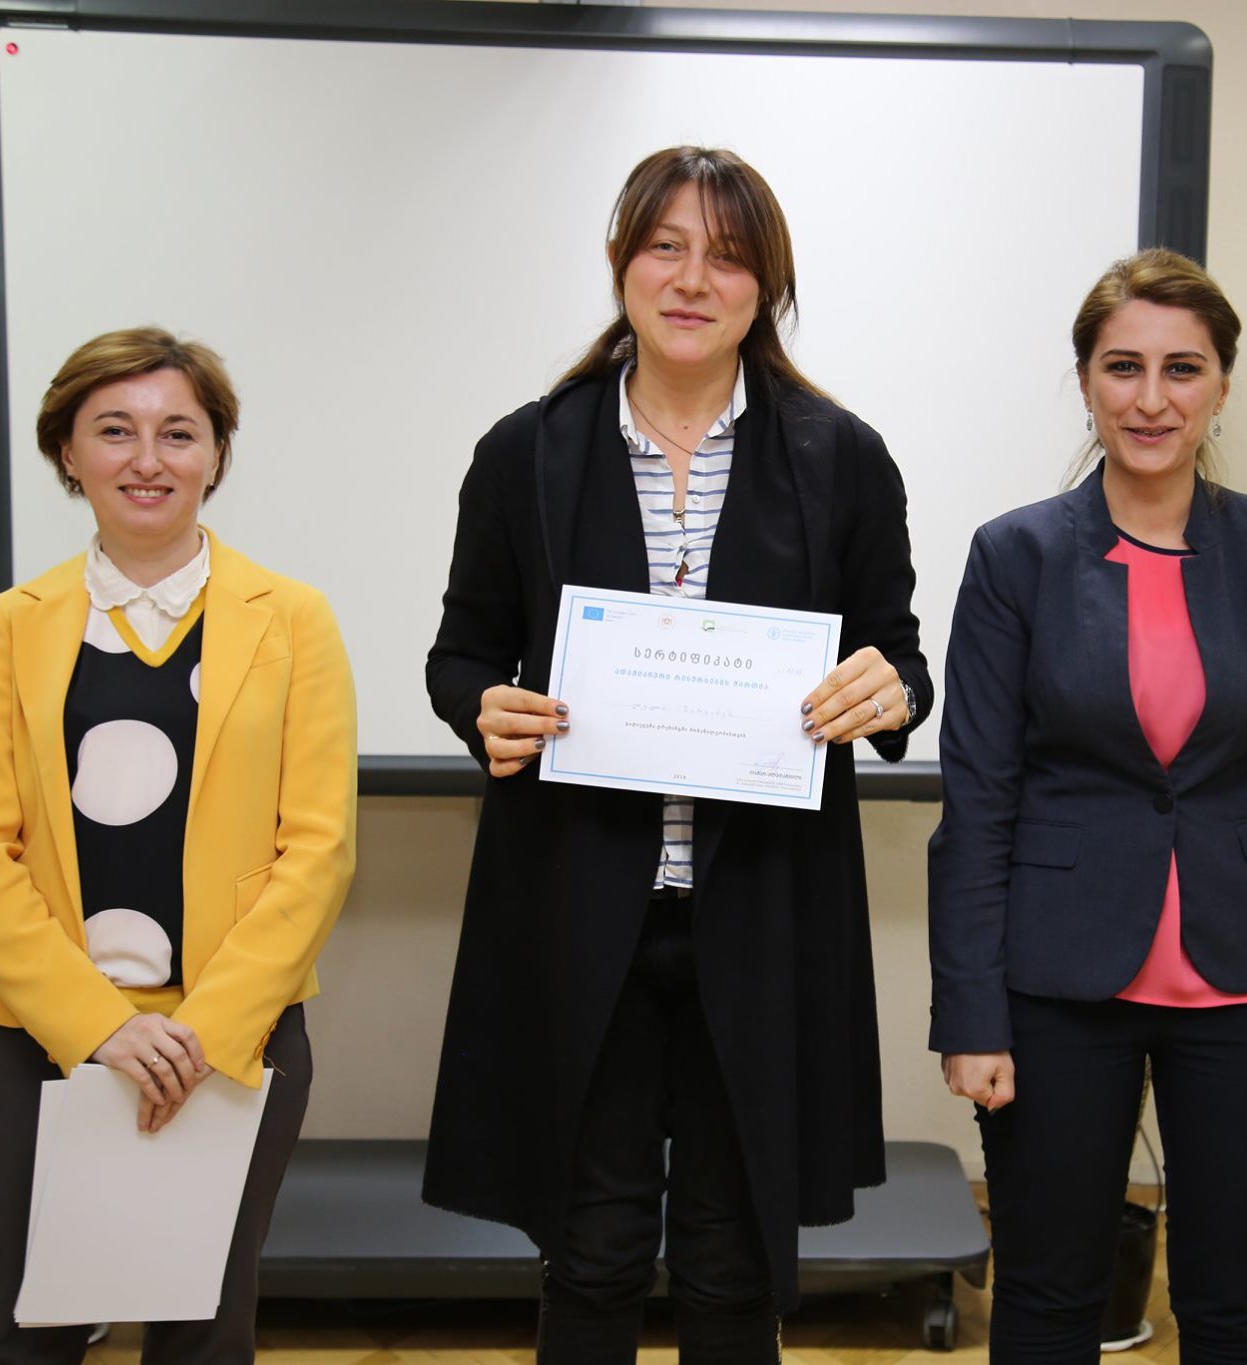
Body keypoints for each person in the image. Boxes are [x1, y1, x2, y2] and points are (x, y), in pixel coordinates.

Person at [421, 145, 929, 1363]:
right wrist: (482, 705)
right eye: (666, 246)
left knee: (730, 1259)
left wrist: (888, 691)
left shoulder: (839, 457)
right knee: (590, 1252)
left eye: (728, 256)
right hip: (576, 908)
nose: (693, 279)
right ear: (622, 264)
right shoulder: (528, 451)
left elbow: (902, 660)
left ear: (767, 288)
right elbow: (460, 653)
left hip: (762, 915)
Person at [928, 249, 1247, 1364]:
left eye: (1181, 369)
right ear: (1085, 381)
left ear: (1221, 385)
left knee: (1239, 1306)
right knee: (1048, 1298)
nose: (1151, 398)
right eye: (1122, 367)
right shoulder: (1015, 555)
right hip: (1056, 980)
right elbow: (977, 801)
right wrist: (970, 1013)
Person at [0, 327, 358, 1364]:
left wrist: (202, 1033)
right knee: (21, 1330)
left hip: (232, 1040)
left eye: (179, 432)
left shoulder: (293, 620)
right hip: (33, 1041)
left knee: (204, 1332)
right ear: (68, 451)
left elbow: (317, 850)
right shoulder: (9, 625)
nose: (148, 458)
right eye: (114, 430)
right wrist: (97, 1026)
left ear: (215, 454)